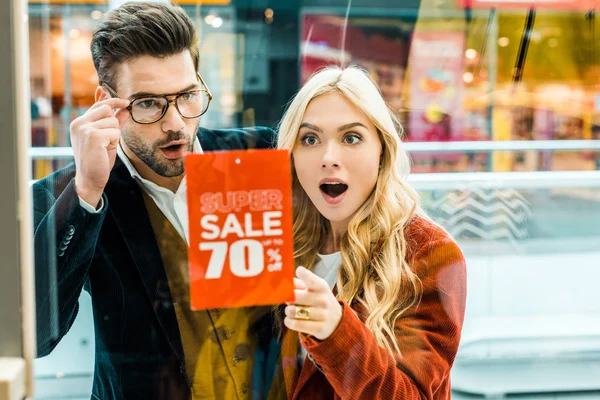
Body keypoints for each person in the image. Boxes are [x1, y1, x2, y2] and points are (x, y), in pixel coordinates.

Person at [33, 2, 276, 399]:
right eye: (148, 103)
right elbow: (37, 338)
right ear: (106, 103)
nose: (176, 122)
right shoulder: (63, 197)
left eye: (187, 95)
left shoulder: (257, 154)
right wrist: (87, 191)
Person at [272, 66, 467, 399]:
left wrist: (336, 332)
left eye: (351, 138)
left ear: (382, 152)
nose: (329, 158)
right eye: (310, 139)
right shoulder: (274, 241)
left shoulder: (429, 253)